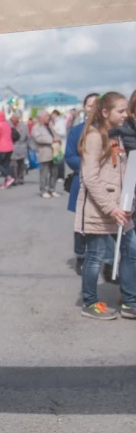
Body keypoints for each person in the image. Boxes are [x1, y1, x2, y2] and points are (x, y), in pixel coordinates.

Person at [76, 92, 136, 320]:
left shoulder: (116, 135)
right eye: (120, 111)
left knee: (131, 251)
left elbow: (120, 173)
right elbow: (90, 178)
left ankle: (130, 302)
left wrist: (128, 201)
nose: (125, 115)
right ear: (105, 112)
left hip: (121, 208)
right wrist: (111, 207)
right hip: (100, 209)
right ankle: (90, 302)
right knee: (95, 256)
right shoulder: (94, 136)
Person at [65, 93, 100, 274]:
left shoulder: (109, 129)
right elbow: (69, 157)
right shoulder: (77, 131)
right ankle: (81, 254)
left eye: (97, 105)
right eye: (89, 105)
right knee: (82, 224)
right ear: (84, 108)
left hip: (105, 186)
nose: (92, 108)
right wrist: (89, 165)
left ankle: (105, 259)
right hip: (82, 183)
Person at [31, 111, 61, 198]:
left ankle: (52, 189)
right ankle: (43, 190)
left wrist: (57, 139)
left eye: (48, 116)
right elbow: (38, 138)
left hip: (54, 152)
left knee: (54, 172)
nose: (48, 117)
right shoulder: (36, 127)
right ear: (41, 117)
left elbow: (56, 135)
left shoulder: (50, 126)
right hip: (44, 152)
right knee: (44, 173)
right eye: (46, 116)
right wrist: (52, 139)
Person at [0, 111, 15, 188]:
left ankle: (9, 177)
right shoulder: (6, 123)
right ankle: (6, 182)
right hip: (10, 147)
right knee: (6, 165)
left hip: (2, 148)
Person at [9, 110, 30, 184]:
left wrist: (28, 146)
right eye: (13, 117)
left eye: (15, 117)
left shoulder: (24, 126)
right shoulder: (8, 125)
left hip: (22, 146)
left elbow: (28, 137)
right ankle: (14, 178)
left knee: (21, 164)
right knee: (13, 164)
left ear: (18, 118)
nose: (13, 119)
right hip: (12, 147)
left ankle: (20, 178)